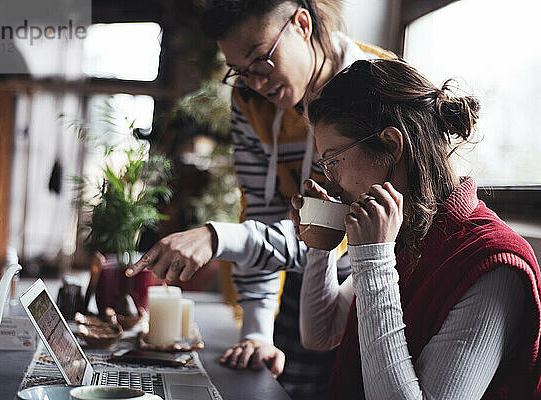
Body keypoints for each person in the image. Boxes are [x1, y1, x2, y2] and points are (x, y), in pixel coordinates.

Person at [126, 1, 395, 398]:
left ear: (302, 24)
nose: (254, 82)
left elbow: (328, 235)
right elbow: (263, 209)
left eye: (261, 59)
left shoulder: (372, 85)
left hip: (373, 278)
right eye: (240, 70)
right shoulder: (249, 100)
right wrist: (257, 330)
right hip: (296, 266)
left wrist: (218, 238)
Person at [286, 58, 541, 398]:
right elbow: (320, 334)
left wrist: (374, 260)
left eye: (333, 161)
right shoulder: (408, 235)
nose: (331, 183)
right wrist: (320, 243)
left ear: (391, 145)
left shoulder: (494, 264)